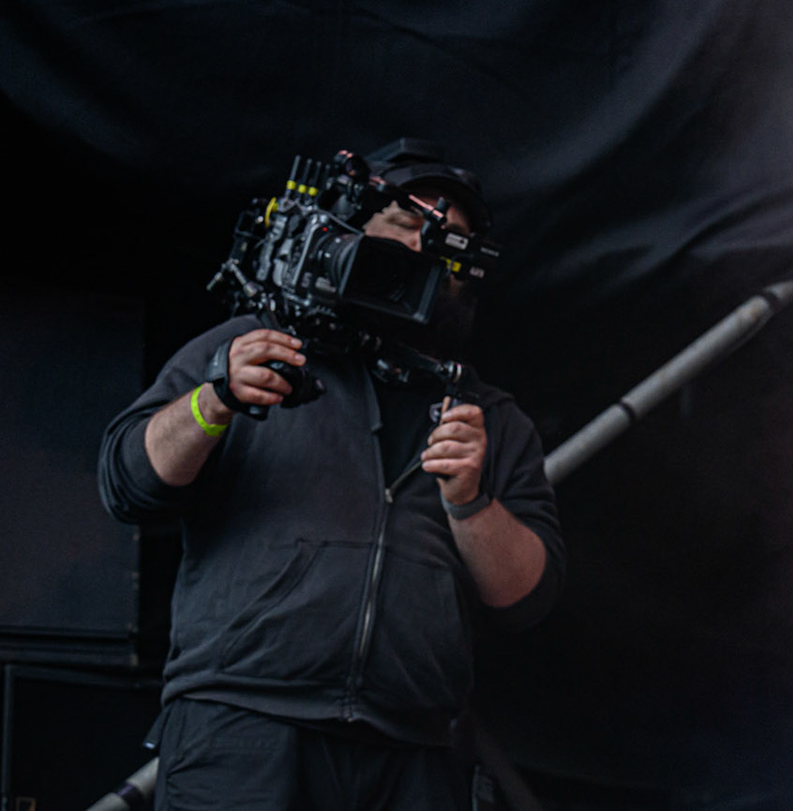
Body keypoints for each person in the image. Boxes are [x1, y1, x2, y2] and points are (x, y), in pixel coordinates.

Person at [98, 140, 564, 811]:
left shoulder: (490, 418)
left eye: (447, 241)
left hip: (413, 747)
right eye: (404, 227)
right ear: (348, 234)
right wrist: (214, 398)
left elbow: (526, 599)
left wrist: (472, 501)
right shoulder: (252, 348)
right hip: (244, 726)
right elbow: (126, 483)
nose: (422, 250)